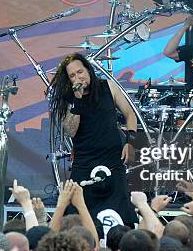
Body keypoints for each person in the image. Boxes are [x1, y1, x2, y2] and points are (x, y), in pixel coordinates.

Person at [47, 53, 138, 226]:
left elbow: (130, 114)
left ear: (88, 70)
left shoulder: (108, 87)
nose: (78, 77)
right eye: (72, 75)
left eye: (80, 72)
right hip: (84, 163)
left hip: (112, 160)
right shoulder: (68, 99)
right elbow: (71, 131)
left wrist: (130, 141)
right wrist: (78, 98)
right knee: (76, 220)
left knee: (122, 218)